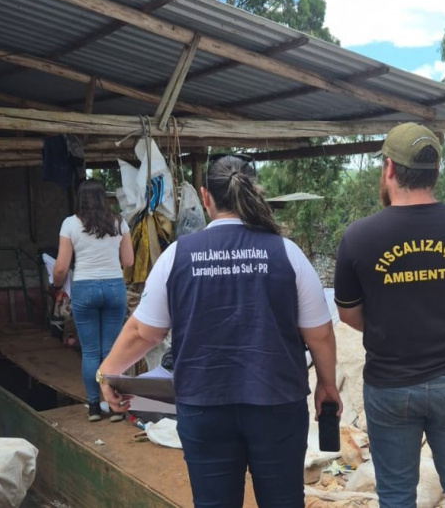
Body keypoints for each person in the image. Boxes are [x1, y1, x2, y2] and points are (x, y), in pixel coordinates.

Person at [97, 153, 342, 508]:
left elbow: (143, 333)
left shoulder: (176, 256)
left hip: (204, 406)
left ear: (205, 196)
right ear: (255, 192)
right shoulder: (287, 254)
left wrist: (109, 372)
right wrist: (327, 385)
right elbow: (319, 334)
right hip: (276, 405)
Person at [334, 123, 445, 508]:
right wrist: (444, 320)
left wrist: (391, 325)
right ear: (435, 172)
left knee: (395, 495)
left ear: (389, 168)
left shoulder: (359, 237)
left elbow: (349, 316)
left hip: (389, 385)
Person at [53, 179, 134, 422]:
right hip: (113, 287)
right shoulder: (119, 222)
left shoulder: (70, 224)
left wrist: (56, 284)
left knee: (90, 352)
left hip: (84, 287)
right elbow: (128, 261)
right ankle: (116, 408)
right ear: (104, 198)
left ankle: (94, 407)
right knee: (111, 351)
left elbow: (61, 268)